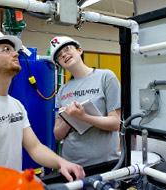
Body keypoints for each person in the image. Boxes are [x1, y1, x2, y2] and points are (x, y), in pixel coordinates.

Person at [0, 31, 85, 183]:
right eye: (6, 49)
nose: (15, 54)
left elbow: (35, 147)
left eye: (14, 50)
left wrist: (62, 163)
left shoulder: (15, 105)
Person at [50, 36, 121, 167]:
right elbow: (58, 135)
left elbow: (115, 123)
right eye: (59, 55)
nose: (64, 54)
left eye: (67, 49)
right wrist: (69, 119)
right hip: (72, 164)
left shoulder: (105, 77)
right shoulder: (62, 90)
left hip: (104, 163)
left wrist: (84, 117)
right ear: (59, 64)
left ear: (79, 50)